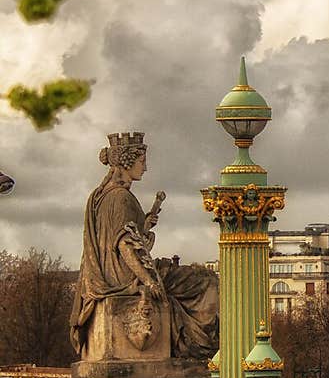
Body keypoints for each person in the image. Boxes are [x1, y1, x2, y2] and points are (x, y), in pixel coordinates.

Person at [70, 131, 219, 359]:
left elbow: (118, 240)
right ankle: (198, 345)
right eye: (142, 161)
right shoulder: (121, 197)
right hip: (125, 277)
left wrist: (144, 226)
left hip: (112, 274)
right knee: (206, 282)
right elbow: (124, 246)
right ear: (128, 162)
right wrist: (149, 281)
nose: (145, 168)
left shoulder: (100, 196)